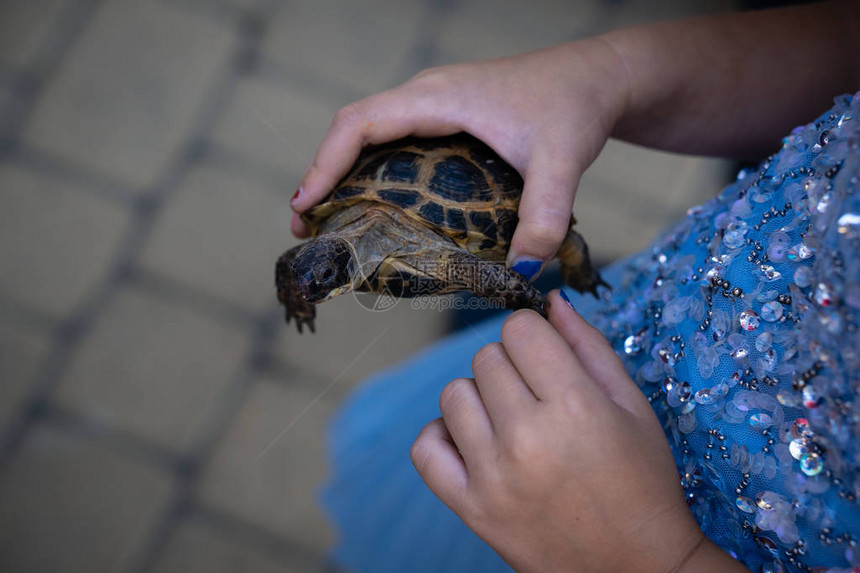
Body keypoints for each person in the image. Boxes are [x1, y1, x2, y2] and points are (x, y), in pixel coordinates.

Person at [290, 1, 860, 571]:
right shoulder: (330, 240)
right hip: (672, 298)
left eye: (321, 278)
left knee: (503, 296)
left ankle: (543, 286)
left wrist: (665, 557)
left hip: (620, 529)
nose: (312, 285)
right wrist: (608, 71)